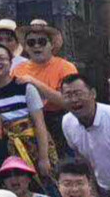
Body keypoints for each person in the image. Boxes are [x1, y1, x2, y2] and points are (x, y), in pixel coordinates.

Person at [0, 43, 53, 179]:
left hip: (33, 147)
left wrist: (44, 157)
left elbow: (39, 123)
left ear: (11, 62)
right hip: (4, 153)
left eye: (2, 58)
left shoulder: (25, 87)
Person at [14, 21, 78, 151]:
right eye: (31, 42)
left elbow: (70, 102)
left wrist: (34, 82)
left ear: (51, 45)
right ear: (26, 47)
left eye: (42, 42)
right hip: (26, 124)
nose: (36, 46)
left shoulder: (66, 67)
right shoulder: (17, 70)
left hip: (58, 122)